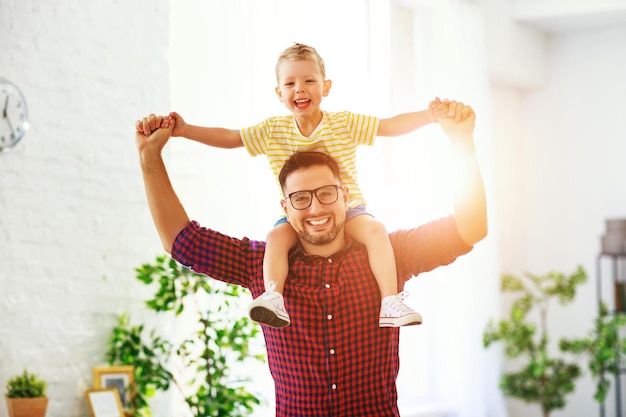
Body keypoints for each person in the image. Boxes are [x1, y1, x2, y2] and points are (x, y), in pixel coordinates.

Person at [135, 98, 486, 416]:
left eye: (326, 193)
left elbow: (470, 229)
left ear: (345, 196)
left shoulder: (389, 254)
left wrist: (461, 141)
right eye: (301, 198)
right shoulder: (260, 264)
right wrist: (150, 158)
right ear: (284, 207)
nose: (315, 207)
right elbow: (180, 240)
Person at [148, 42, 442, 329]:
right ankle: (273, 295)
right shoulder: (272, 130)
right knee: (275, 239)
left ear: (325, 87)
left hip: (348, 211)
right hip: (297, 216)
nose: (299, 89)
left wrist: (430, 116)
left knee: (376, 232)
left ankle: (389, 301)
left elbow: (389, 126)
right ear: (279, 93)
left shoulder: (345, 123)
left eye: (309, 80)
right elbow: (230, 138)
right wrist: (185, 131)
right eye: (289, 84)